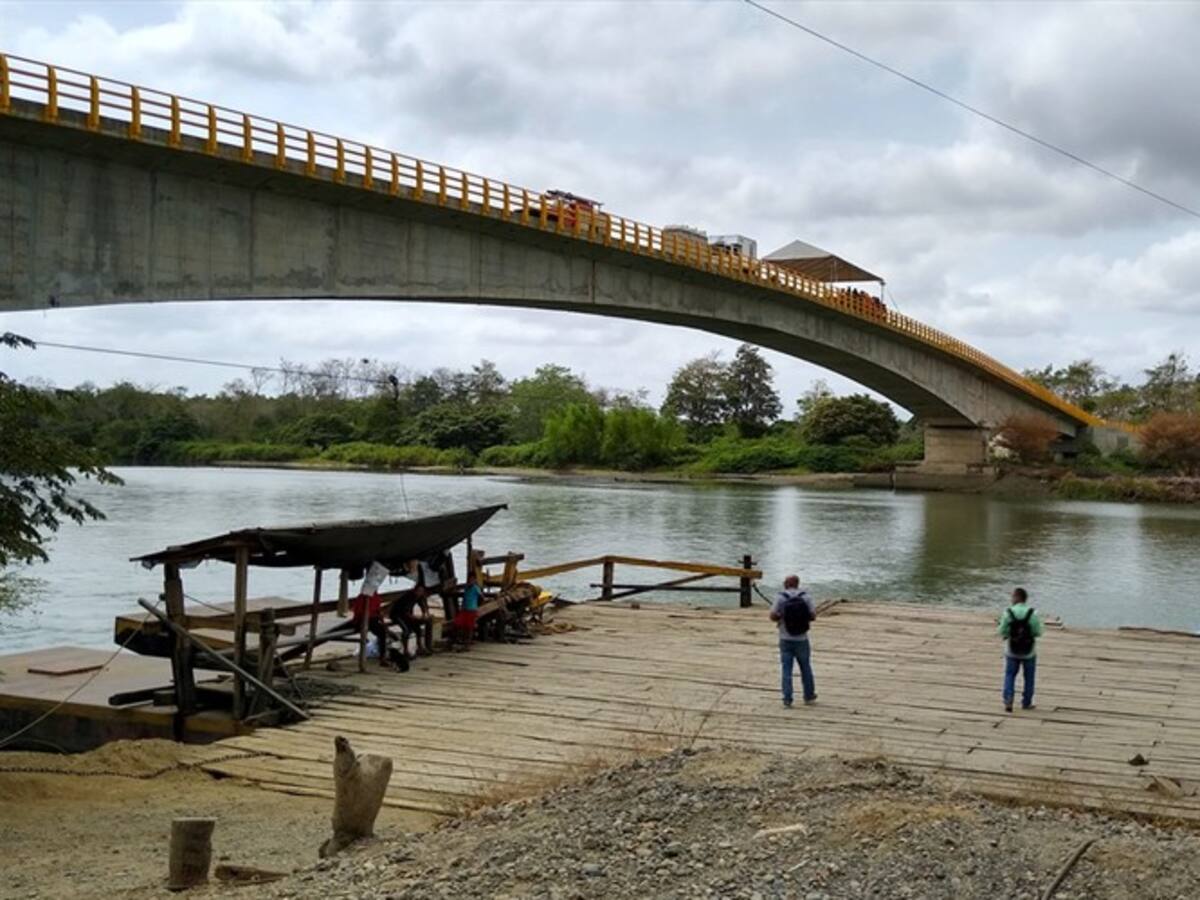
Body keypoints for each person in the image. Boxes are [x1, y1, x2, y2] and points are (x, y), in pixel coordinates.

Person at [769, 575, 817, 707]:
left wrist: (782, 616)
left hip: (785, 638)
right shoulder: (806, 597)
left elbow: (772, 616)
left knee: (786, 669)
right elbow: (813, 616)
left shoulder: (780, 597)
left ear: (786, 584)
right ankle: (809, 695)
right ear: (797, 584)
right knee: (806, 667)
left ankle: (787, 698)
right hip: (802, 638)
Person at [998, 587, 1044, 712]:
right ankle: (1026, 702)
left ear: (1017, 597)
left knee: (1010, 674)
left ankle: (1008, 699)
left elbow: (1001, 631)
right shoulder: (1033, 613)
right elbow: (1038, 632)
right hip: (1029, 651)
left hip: (1012, 649)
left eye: (1012, 596)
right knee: (1029, 677)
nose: (1011, 599)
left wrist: (1008, 633)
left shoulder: (1008, 612)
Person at [453, 570, 482, 650]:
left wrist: (477, 606)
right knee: (458, 624)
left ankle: (467, 645)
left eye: (473, 579)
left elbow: (481, 597)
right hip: (464, 610)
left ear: (475, 580)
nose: (471, 581)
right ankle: (461, 641)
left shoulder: (476, 588)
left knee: (469, 628)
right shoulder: (466, 587)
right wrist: (462, 607)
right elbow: (464, 598)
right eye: (470, 579)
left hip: (472, 610)